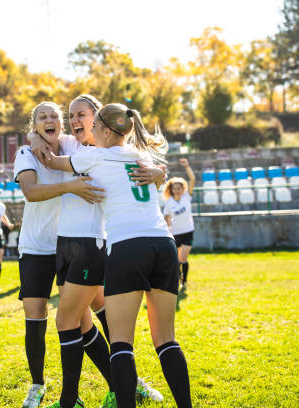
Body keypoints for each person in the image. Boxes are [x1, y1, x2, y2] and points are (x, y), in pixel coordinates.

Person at [45, 103, 192, 408]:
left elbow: (51, 161)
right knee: (166, 339)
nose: (92, 131)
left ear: (108, 131)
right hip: (164, 245)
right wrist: (160, 172)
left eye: (95, 127)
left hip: (128, 246)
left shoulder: (94, 156)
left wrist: (35, 143)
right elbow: (159, 173)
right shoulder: (141, 156)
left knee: (122, 342)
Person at [15, 101, 105, 408]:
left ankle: (126, 380)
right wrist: (72, 186)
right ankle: (37, 385)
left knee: (86, 318)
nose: (50, 120)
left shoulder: (71, 143)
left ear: (62, 125)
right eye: (42, 117)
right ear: (35, 123)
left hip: (70, 246)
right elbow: (31, 192)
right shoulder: (26, 153)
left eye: (55, 116)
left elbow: (99, 139)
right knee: (35, 316)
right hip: (36, 247)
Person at [163, 158, 195, 290]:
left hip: (188, 231)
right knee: (176, 261)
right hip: (175, 233)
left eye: (178, 187)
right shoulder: (168, 202)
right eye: (174, 188)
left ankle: (184, 281)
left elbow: (192, 180)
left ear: (182, 188)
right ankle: (177, 280)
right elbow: (166, 216)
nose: (176, 190)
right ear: (171, 189)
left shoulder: (187, 196)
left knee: (183, 259)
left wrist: (187, 166)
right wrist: (169, 228)